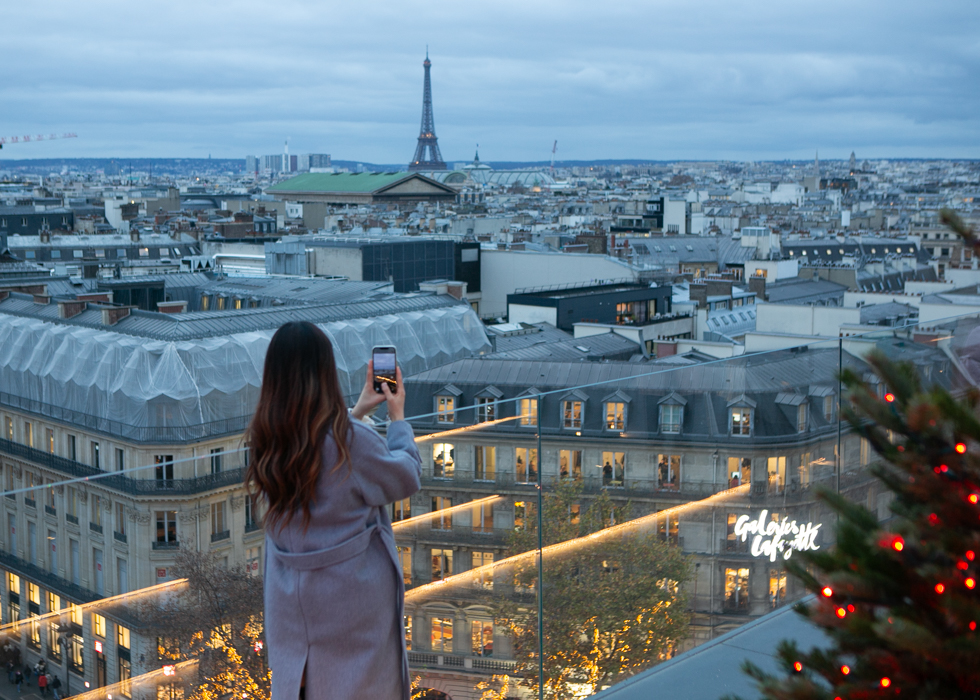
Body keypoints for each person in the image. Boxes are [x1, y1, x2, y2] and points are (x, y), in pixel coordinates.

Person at [247, 322, 421, 700]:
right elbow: (405, 477)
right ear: (325, 373)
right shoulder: (351, 442)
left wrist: (357, 411)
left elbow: (318, 457)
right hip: (350, 609)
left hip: (294, 607)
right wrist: (398, 418)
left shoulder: (266, 439)